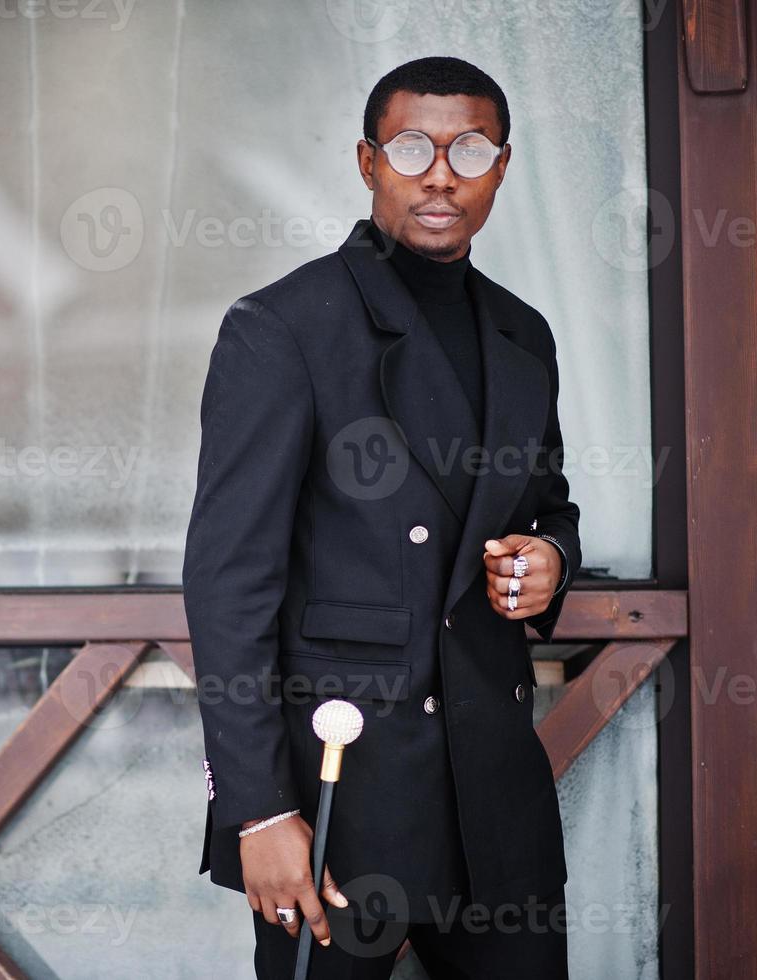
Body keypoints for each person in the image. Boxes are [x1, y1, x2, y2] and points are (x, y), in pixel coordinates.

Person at [183, 56, 580, 979]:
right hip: (338, 795)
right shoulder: (283, 326)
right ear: (367, 163)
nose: (440, 171)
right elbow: (228, 584)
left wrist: (550, 556)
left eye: (469, 148)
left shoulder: (524, 334)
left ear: (501, 168)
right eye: (411, 147)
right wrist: (258, 811)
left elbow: (547, 503)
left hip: (492, 789)